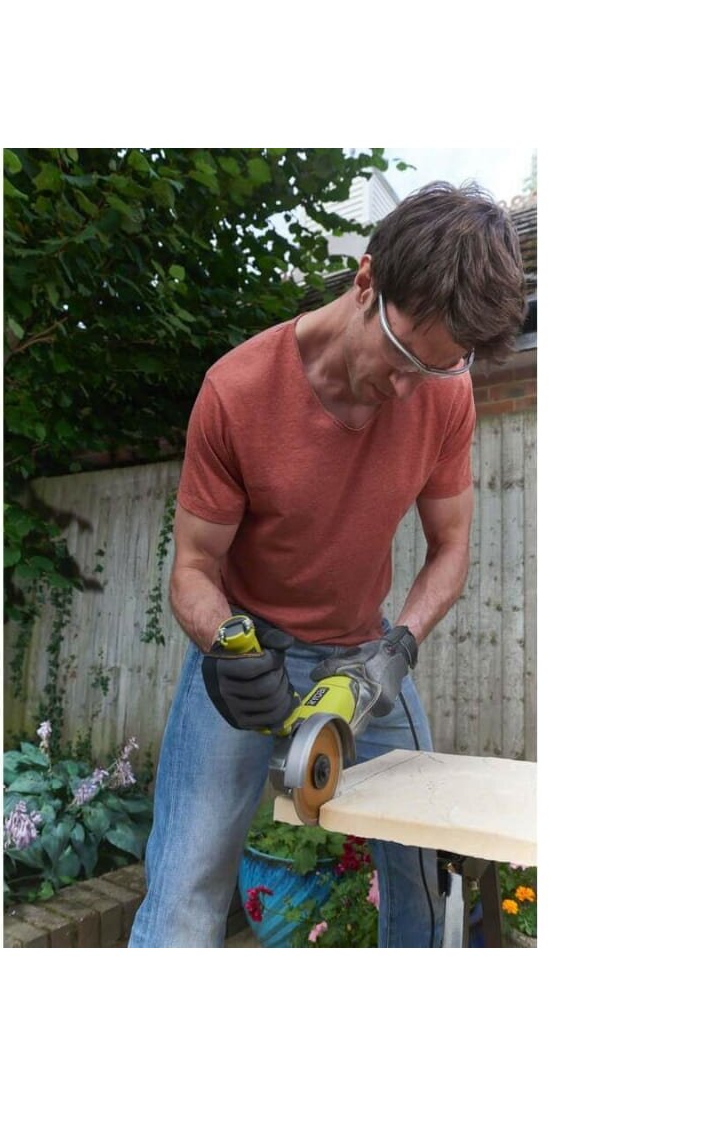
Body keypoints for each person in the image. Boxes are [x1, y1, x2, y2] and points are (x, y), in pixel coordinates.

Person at [128, 181, 527, 947]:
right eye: (404, 357)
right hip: (247, 652)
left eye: (436, 369)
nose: (410, 389)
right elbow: (194, 569)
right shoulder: (238, 391)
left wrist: (397, 650)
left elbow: (450, 550)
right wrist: (227, 647)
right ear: (366, 280)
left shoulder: (446, 392)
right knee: (184, 890)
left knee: (425, 869)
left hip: (364, 657)